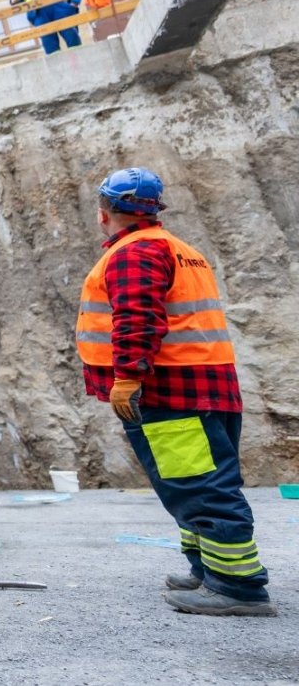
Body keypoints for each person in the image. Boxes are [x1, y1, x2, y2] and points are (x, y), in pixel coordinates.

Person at [76, 168, 275, 617]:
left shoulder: (134, 252)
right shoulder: (183, 251)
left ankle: (237, 586)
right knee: (193, 482)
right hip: (205, 384)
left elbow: (137, 317)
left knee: (200, 484)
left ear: (104, 213)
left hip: (171, 390)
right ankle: (206, 568)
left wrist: (127, 376)